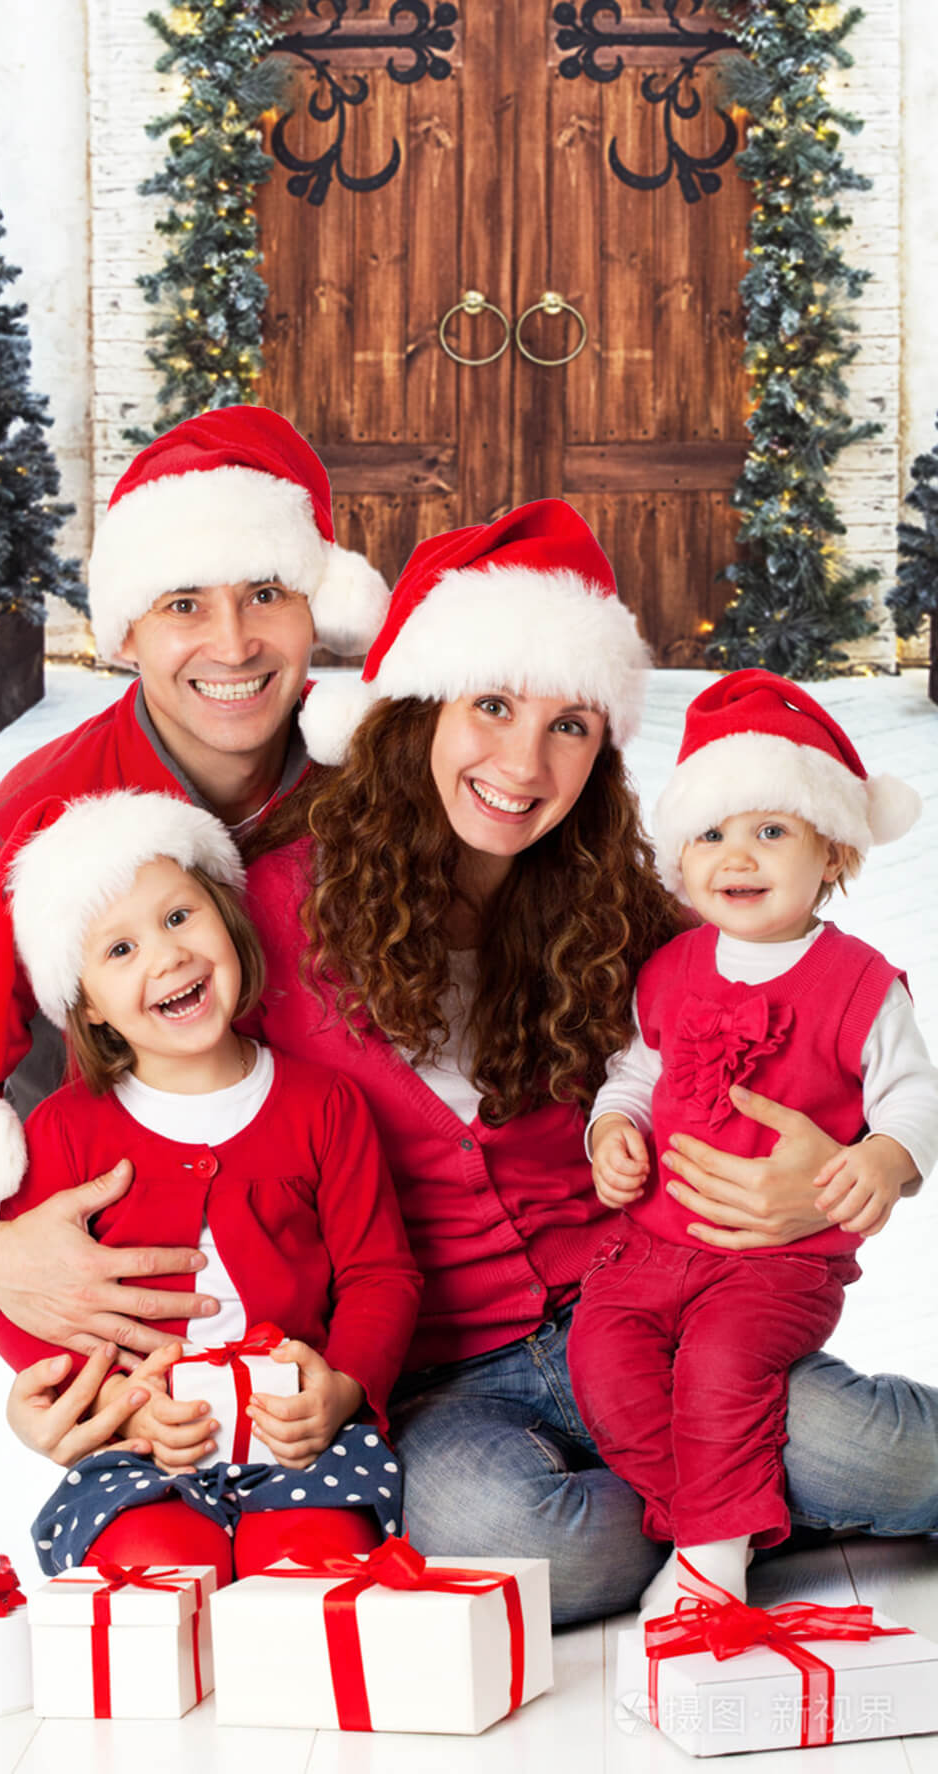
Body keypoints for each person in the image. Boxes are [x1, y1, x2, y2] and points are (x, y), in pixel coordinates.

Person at [233, 499, 938, 1625]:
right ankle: (736, 1512)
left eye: (569, 724)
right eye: (494, 704)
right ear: (414, 710)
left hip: (661, 1309)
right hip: (446, 1377)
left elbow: (827, 1053)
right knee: (496, 1536)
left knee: (883, 1456)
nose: (525, 760)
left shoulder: (642, 915)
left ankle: (732, 1503)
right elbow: (178, 1121)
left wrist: (843, 1178)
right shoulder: (272, 916)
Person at [0, 405, 388, 1362]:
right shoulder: (28, 826)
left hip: (378, 1288)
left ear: (321, 607)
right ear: (128, 633)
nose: (232, 645)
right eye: (183, 603)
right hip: (150, 1338)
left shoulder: (385, 777)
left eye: (267, 592)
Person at [0, 790, 420, 1582]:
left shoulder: (325, 1104)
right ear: (90, 1009)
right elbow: (25, 1307)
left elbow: (383, 1276)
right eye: (119, 950)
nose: (167, 957)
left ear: (229, 924)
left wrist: (341, 1388)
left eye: (178, 918)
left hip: (297, 1432)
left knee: (308, 1576)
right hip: (145, 1439)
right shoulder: (66, 1130)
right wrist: (120, 1409)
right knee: (157, 1574)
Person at [565, 670, 938, 1619]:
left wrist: (885, 1161)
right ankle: (709, 1520)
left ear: (834, 856)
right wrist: (616, 1127)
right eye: (714, 832)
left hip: (777, 1263)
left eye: (772, 830)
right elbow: (637, 1074)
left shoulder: (858, 983)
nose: (740, 854)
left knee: (721, 1371)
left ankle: (712, 1556)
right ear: (683, 856)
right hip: (650, 1248)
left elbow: (914, 1096)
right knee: (604, 1360)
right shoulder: (670, 968)